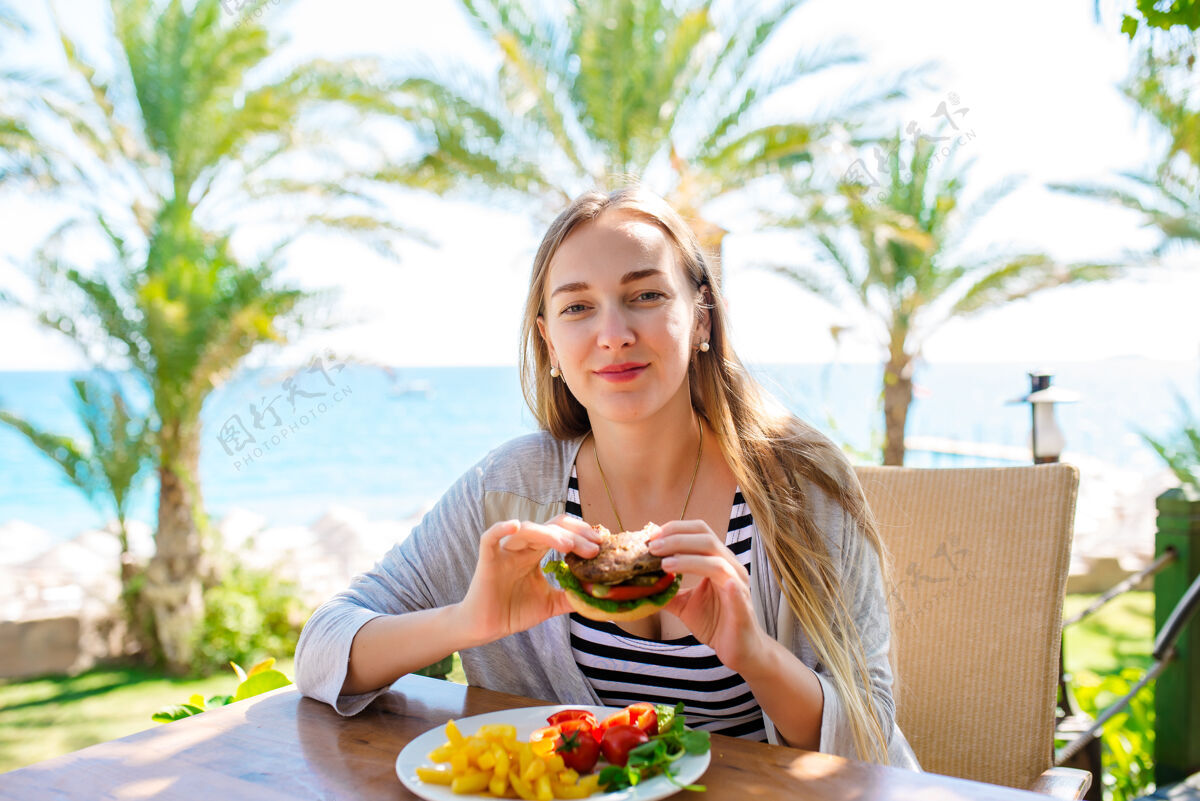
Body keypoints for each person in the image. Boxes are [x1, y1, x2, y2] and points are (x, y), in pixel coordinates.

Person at [294, 185, 922, 769]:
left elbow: (869, 736)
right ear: (548, 343)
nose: (614, 334)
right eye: (577, 307)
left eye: (646, 295)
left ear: (702, 317)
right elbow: (321, 650)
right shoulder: (506, 489)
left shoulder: (800, 485)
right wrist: (467, 621)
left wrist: (755, 654)